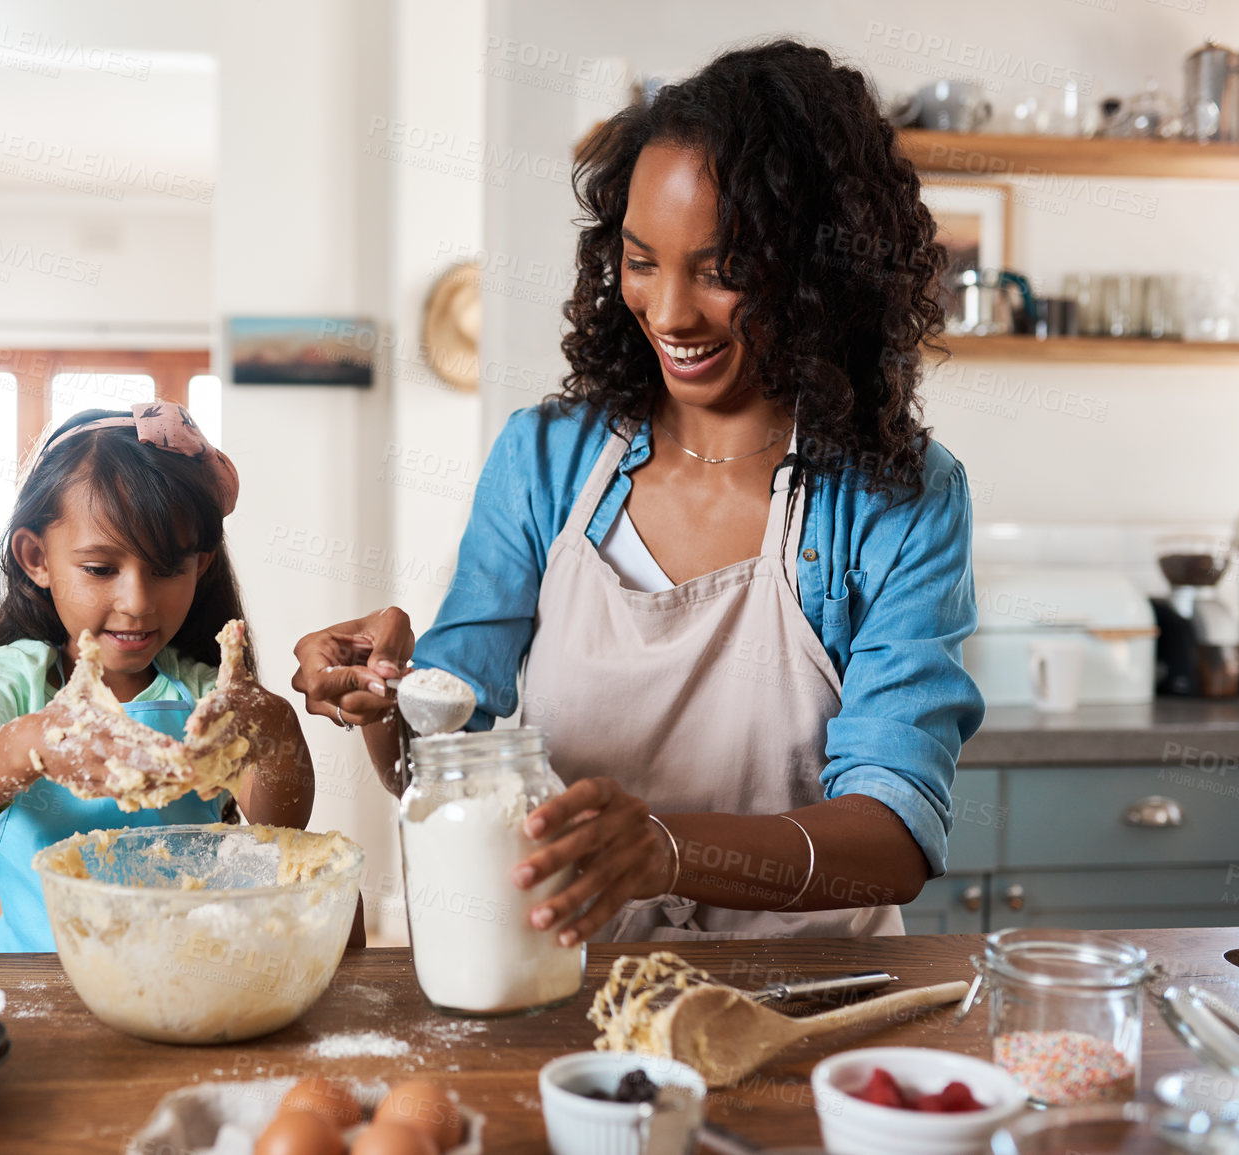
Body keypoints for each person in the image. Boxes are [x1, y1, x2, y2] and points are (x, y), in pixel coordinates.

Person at [294, 41, 984, 942]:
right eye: (640, 260)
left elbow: (894, 833)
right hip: (575, 999)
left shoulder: (898, 501)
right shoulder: (544, 462)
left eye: (721, 269)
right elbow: (440, 769)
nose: (667, 312)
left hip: (813, 1006)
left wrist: (666, 847)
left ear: (820, 275)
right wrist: (390, 701)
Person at [0, 403, 316, 952]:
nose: (137, 602)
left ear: (200, 565)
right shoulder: (19, 679)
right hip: (39, 980)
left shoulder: (202, 692)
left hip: (181, 972)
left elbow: (277, 833)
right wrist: (29, 745)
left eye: (167, 569)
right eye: (101, 569)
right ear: (36, 557)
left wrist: (277, 738)